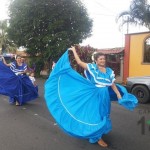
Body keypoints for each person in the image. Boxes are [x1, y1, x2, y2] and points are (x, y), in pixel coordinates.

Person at [44, 46, 138, 148]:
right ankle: (97, 137)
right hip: (94, 95)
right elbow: (79, 62)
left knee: (104, 113)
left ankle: (99, 131)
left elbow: (112, 84)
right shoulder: (92, 68)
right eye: (100, 59)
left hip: (104, 96)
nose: (103, 60)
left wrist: (119, 94)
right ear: (96, 60)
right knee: (95, 115)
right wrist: (74, 51)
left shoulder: (108, 71)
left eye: (104, 59)